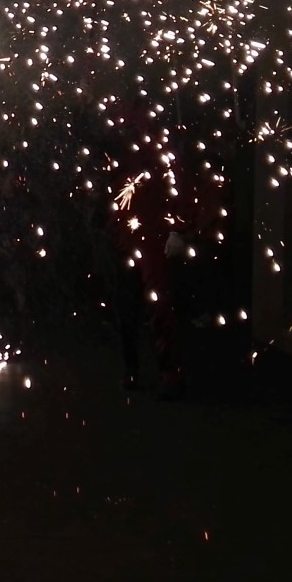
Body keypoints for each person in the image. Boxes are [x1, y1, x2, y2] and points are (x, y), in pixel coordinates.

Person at [112, 134, 187, 400]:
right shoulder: (122, 149)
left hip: (152, 240)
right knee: (128, 309)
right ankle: (136, 370)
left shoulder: (158, 152)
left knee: (159, 308)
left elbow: (175, 186)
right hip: (128, 241)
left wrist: (177, 228)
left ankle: (169, 373)